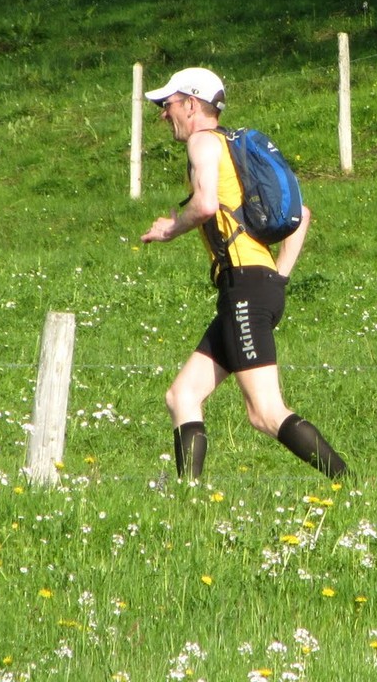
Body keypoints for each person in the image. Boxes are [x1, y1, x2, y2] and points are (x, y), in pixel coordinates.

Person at [140, 66, 349, 481]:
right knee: (182, 395)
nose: (163, 114)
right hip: (255, 284)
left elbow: (205, 205)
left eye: (167, 104)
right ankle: (188, 495)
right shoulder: (230, 146)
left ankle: (352, 484)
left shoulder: (202, 141)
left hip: (244, 290)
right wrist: (278, 278)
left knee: (265, 413)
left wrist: (170, 230)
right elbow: (302, 214)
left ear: (191, 104)